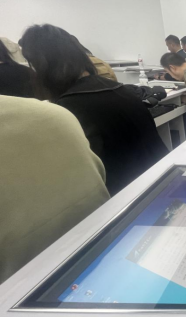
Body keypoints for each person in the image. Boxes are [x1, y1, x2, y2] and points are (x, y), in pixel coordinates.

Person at [20, 24, 169, 196]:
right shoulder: (121, 89)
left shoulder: (68, 108)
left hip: (123, 196)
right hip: (158, 180)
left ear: (43, 66)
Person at [0, 94, 110, 284]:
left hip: (29, 288)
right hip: (105, 246)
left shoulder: (62, 108)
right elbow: (100, 175)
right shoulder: (56, 113)